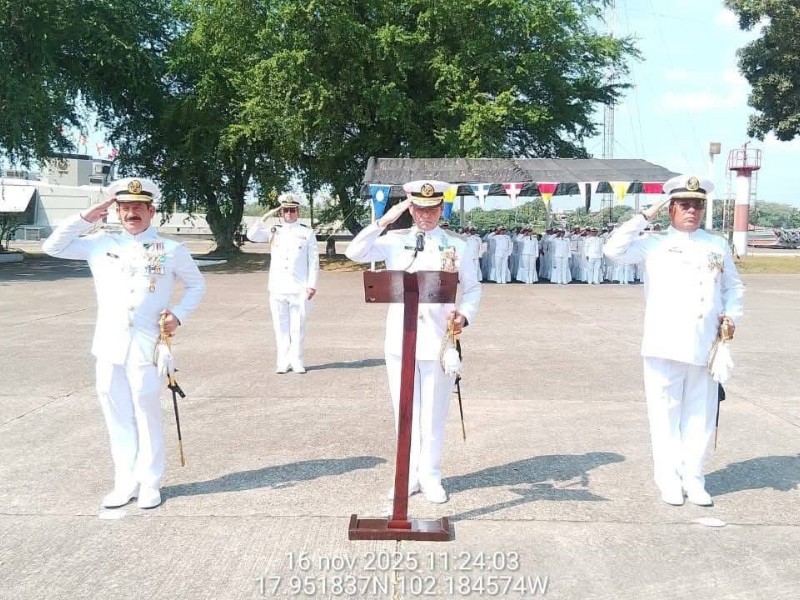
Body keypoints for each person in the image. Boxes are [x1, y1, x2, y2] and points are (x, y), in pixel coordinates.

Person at [42, 177, 206, 509]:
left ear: (151, 211)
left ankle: (150, 482)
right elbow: (53, 247)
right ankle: (125, 481)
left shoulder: (170, 249)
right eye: (126, 207)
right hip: (109, 343)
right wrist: (86, 217)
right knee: (115, 412)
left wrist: (178, 314)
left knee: (146, 410)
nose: (132, 213)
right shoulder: (99, 243)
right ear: (117, 212)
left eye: (139, 207)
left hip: (146, 343)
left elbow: (196, 285)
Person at [603, 174, 744, 507]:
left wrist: (732, 316)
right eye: (684, 205)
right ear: (670, 209)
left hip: (705, 344)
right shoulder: (653, 243)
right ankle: (668, 479)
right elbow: (613, 249)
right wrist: (645, 215)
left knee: (700, 415)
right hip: (664, 343)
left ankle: (693, 477)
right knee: (664, 416)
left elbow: (733, 286)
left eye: (697, 205)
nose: (691, 210)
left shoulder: (716, 244)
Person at [345, 181, 481, 503]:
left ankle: (430, 475)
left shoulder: (458, 246)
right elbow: (354, 252)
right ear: (411, 208)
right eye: (419, 209)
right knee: (404, 413)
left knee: (433, 414)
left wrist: (464, 315)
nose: (425, 216)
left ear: (441, 209)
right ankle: (406, 476)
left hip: (438, 342)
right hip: (400, 340)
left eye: (432, 209)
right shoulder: (394, 240)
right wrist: (386, 218)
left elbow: (473, 288)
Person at [247, 193, 319, 374]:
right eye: (285, 210)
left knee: (297, 327)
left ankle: (297, 360)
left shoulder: (307, 233)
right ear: (281, 212)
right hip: (278, 287)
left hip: (299, 288)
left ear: (298, 211)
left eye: (292, 210)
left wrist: (312, 285)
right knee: (280, 328)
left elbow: (314, 261)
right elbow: (252, 235)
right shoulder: (274, 231)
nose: (289, 214)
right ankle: (283, 361)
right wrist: (266, 216)